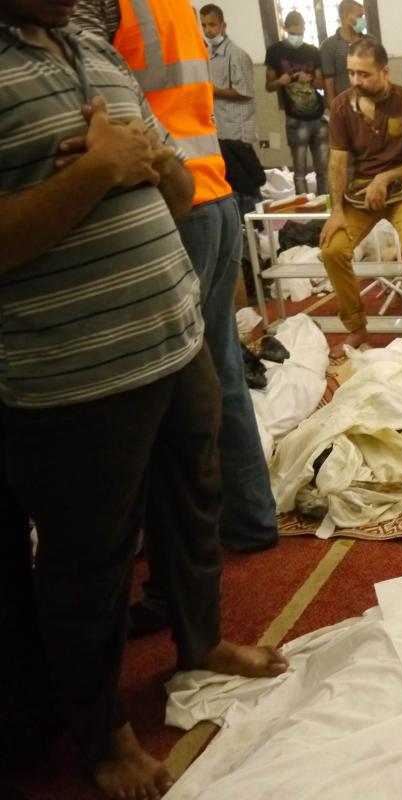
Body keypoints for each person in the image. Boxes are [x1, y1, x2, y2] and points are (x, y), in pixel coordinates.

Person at [0, 1, 287, 797]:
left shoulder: (91, 43)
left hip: (172, 334)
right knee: (89, 565)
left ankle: (202, 645)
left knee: (193, 507)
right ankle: (104, 735)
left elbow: (169, 194)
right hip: (75, 370)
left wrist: (148, 162)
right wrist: (96, 170)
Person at [74, 0, 280, 630]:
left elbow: (96, 98)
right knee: (218, 364)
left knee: (176, 384)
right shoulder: (173, 4)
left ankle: (180, 542)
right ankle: (249, 519)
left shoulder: (103, 10)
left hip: (170, 199)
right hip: (208, 190)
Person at [318, 36, 402, 354]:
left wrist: (385, 177)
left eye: (364, 74)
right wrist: (336, 211)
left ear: (385, 72)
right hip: (361, 191)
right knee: (332, 250)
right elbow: (337, 163)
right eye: (352, 73)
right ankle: (357, 328)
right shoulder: (342, 106)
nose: (356, 80)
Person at [199, 3, 262, 216]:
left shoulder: (237, 55)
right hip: (222, 129)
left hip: (239, 131)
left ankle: (258, 229)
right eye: (204, 25)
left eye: (213, 25)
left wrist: (212, 90)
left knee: (248, 186)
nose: (208, 30)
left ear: (223, 25)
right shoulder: (208, 54)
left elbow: (244, 91)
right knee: (232, 183)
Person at [266, 10, 328, 195]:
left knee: (323, 170)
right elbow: (268, 86)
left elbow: (321, 82)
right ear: (285, 29)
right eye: (292, 34)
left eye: (299, 33)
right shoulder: (275, 52)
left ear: (304, 29)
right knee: (299, 171)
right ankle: (305, 213)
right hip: (295, 118)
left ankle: (326, 208)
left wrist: (308, 79)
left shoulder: (312, 51)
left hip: (318, 116)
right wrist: (280, 81)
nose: (296, 37)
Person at [321, 0, 365, 109]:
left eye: (363, 16)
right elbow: (328, 81)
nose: (362, 20)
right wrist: (333, 109)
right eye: (359, 16)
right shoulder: (329, 45)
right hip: (344, 105)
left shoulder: (369, 42)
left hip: (368, 101)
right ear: (346, 16)